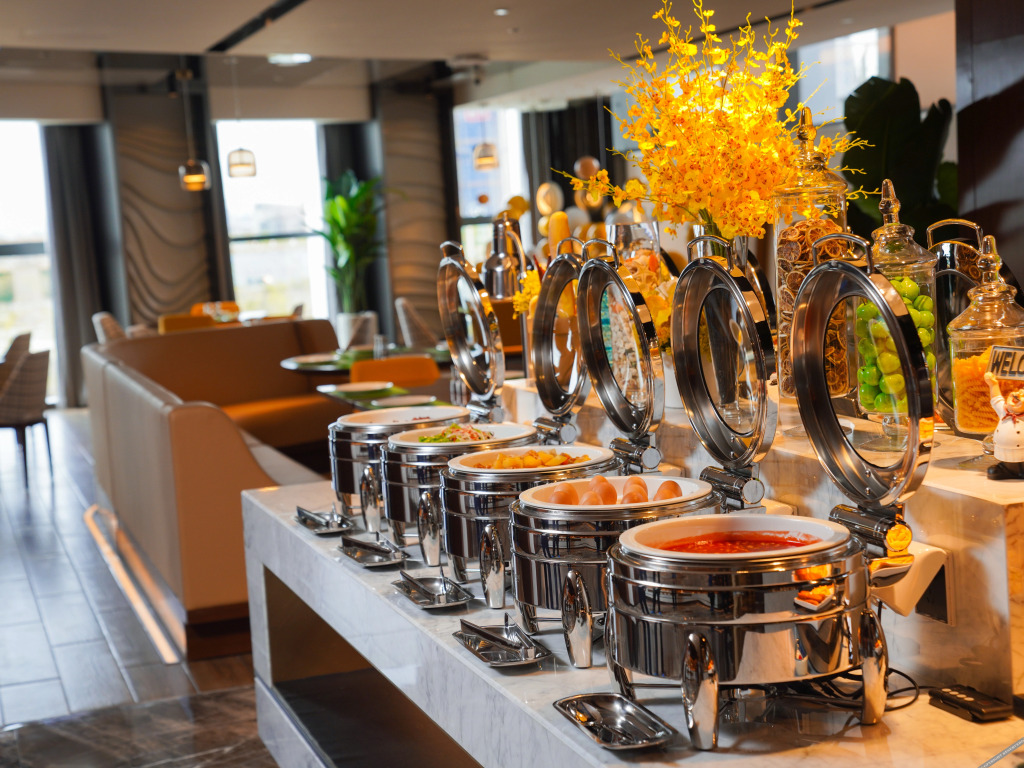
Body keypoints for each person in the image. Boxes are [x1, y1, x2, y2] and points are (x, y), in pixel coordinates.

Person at [983, 371, 1024, 480]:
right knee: (1007, 459)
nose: (1017, 396)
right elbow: (996, 399)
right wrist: (993, 384)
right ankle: (1006, 469)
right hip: (1004, 450)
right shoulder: (1003, 411)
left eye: (1022, 396)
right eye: (1017, 393)